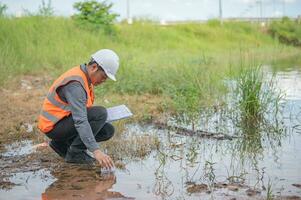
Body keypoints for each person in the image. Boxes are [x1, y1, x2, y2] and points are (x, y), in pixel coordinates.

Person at [37, 49, 119, 169]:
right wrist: (96, 151)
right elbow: (80, 120)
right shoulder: (75, 85)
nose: (104, 80)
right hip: (54, 127)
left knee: (107, 130)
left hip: (63, 122)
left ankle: (60, 145)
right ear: (94, 67)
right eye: (104, 76)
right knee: (100, 113)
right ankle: (75, 153)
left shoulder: (85, 76)